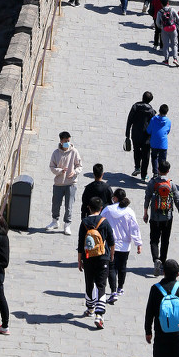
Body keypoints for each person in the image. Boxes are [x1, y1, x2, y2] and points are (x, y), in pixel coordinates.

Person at [78, 196, 115, 329]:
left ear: (89, 207)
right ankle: (99, 315)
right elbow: (111, 241)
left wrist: (79, 260)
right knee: (101, 285)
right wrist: (111, 255)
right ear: (101, 209)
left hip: (88, 258)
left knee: (89, 283)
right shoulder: (104, 222)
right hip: (102, 258)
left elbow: (80, 242)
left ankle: (90, 308)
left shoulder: (84, 222)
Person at [102, 188, 142, 303]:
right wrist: (138, 243)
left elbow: (101, 223)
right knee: (122, 267)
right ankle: (120, 288)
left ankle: (113, 291)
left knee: (112, 268)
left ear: (115, 198)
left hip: (111, 244)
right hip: (125, 245)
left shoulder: (108, 210)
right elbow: (134, 228)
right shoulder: (129, 211)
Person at [144, 159, 179, 276]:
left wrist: (145, 213)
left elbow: (147, 198)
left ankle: (156, 260)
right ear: (168, 171)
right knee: (165, 240)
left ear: (158, 170)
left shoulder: (152, 183)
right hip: (167, 217)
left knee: (154, 240)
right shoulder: (171, 184)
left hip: (155, 216)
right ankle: (163, 262)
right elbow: (177, 201)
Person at [47, 131, 82, 234]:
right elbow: (52, 167)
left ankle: (67, 224)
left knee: (69, 206)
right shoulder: (56, 153)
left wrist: (74, 172)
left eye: (68, 141)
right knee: (56, 204)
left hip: (71, 184)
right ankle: (55, 221)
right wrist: (60, 171)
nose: (67, 143)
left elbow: (79, 166)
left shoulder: (74, 152)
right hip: (58, 183)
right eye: (65, 141)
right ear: (61, 141)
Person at [126, 90, 156, 179]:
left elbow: (129, 120)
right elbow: (153, 125)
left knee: (136, 150)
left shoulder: (135, 106)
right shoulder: (151, 111)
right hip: (147, 136)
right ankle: (144, 174)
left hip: (135, 134)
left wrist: (127, 133)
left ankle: (137, 167)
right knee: (146, 155)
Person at [147, 104, 171, 172]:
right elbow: (168, 131)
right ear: (166, 112)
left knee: (154, 157)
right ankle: (162, 173)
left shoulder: (153, 119)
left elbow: (149, 131)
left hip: (154, 143)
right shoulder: (168, 121)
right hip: (163, 144)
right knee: (162, 160)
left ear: (159, 110)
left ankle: (155, 173)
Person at [158, 2, 179, 68]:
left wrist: (161, 27)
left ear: (162, 4)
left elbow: (157, 22)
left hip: (164, 29)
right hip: (173, 28)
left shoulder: (160, 12)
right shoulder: (172, 10)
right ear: (168, 3)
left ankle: (166, 60)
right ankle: (175, 58)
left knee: (165, 45)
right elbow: (178, 19)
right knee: (174, 44)